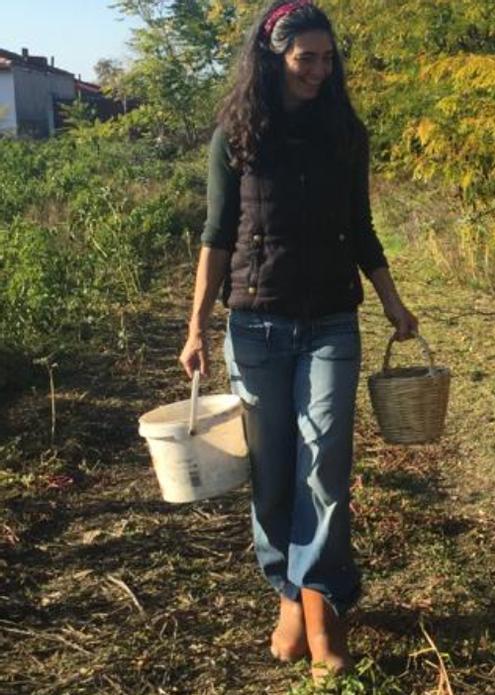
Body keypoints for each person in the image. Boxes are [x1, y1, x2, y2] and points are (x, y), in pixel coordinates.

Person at [178, 0, 417, 681]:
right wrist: (196, 325)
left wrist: (395, 303)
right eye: (304, 58)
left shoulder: (346, 130)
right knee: (274, 471)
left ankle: (323, 609)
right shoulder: (238, 133)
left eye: (326, 57)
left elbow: (362, 227)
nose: (318, 70)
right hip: (254, 324)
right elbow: (217, 235)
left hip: (331, 323)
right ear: (272, 57)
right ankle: (291, 594)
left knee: (326, 466)